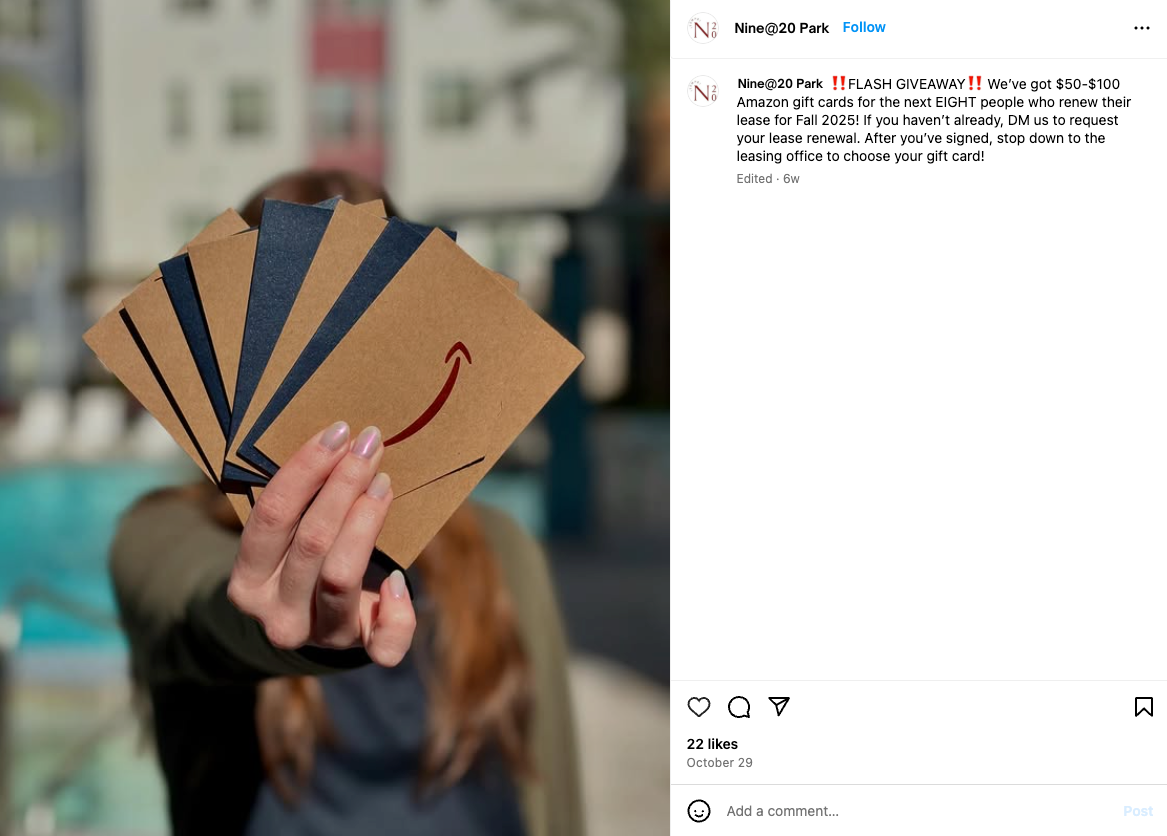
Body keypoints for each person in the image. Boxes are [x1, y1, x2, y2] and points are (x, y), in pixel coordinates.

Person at [110, 170, 583, 836]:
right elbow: (200, 609)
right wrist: (274, 612)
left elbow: (550, 777)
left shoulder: (499, 546)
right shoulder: (163, 532)